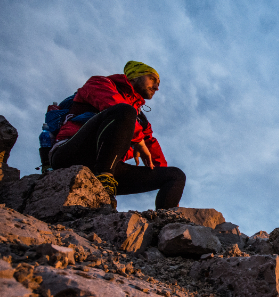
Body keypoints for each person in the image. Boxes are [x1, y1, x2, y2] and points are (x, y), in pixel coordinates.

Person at [49, 61, 185, 209]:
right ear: (134, 77)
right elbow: (111, 102)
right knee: (125, 111)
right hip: (71, 153)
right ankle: (104, 182)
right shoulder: (99, 83)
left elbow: (154, 151)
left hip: (112, 167)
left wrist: (172, 193)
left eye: (158, 83)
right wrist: (138, 139)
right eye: (152, 79)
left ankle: (167, 223)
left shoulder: (141, 119)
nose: (157, 87)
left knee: (175, 175)